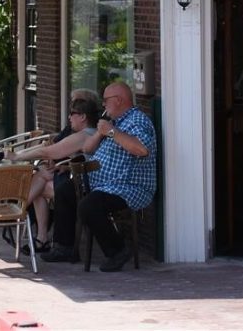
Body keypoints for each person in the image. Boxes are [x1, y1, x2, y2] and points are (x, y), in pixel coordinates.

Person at [42, 81, 157, 272]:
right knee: (64, 190)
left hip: (127, 187)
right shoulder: (114, 122)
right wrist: (101, 132)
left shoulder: (138, 121)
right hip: (102, 182)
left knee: (89, 206)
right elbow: (87, 148)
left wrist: (111, 131)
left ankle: (117, 251)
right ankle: (64, 248)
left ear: (119, 100)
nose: (103, 104)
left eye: (106, 100)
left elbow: (141, 149)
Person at [5, 89, 100, 252]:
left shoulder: (84, 135)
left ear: (83, 117)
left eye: (72, 113)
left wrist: (16, 156)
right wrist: (65, 166)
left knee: (41, 183)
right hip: (81, 180)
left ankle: (16, 213)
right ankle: (32, 228)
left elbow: (48, 152)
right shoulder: (90, 133)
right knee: (42, 175)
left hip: (85, 189)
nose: (69, 117)